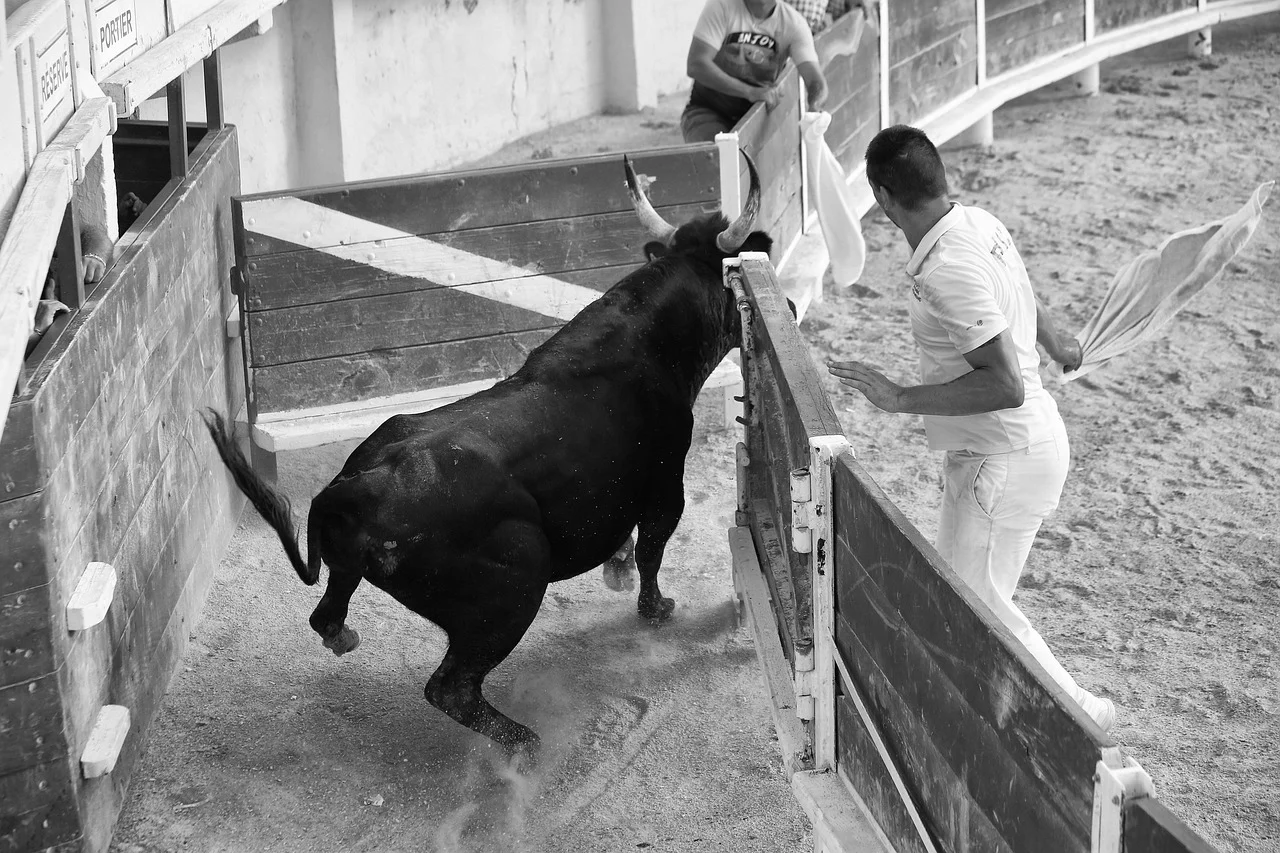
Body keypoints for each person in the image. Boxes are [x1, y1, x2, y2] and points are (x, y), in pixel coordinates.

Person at [827, 125, 1116, 731]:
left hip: (1003, 457)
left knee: (975, 606)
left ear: (881, 198)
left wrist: (899, 396)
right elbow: (1022, 297)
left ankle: (1081, 717)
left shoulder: (944, 267)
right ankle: (997, 719)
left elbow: (1005, 384)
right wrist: (1060, 342)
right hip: (1018, 451)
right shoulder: (979, 222)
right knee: (977, 606)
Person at [681, 0, 829, 144]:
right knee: (717, 157)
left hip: (758, 116)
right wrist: (749, 91)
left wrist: (814, 108)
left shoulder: (794, 24)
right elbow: (696, 64)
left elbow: (816, 82)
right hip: (708, 110)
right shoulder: (721, 6)